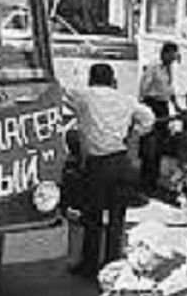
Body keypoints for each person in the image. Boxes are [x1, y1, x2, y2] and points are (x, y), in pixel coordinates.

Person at [65, 63, 155, 278]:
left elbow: (60, 94)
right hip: (120, 161)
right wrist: (135, 132)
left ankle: (89, 266)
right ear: (113, 80)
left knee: (92, 216)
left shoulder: (83, 96)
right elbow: (149, 118)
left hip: (97, 164)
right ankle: (112, 266)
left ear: (90, 79)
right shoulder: (126, 99)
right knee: (117, 218)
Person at [139, 41, 181, 193]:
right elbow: (143, 88)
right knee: (150, 146)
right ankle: (145, 183)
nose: (174, 59)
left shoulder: (169, 69)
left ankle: (154, 181)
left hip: (163, 106)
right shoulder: (153, 67)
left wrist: (176, 106)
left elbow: (169, 89)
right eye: (172, 55)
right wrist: (143, 109)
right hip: (152, 105)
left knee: (159, 146)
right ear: (165, 53)